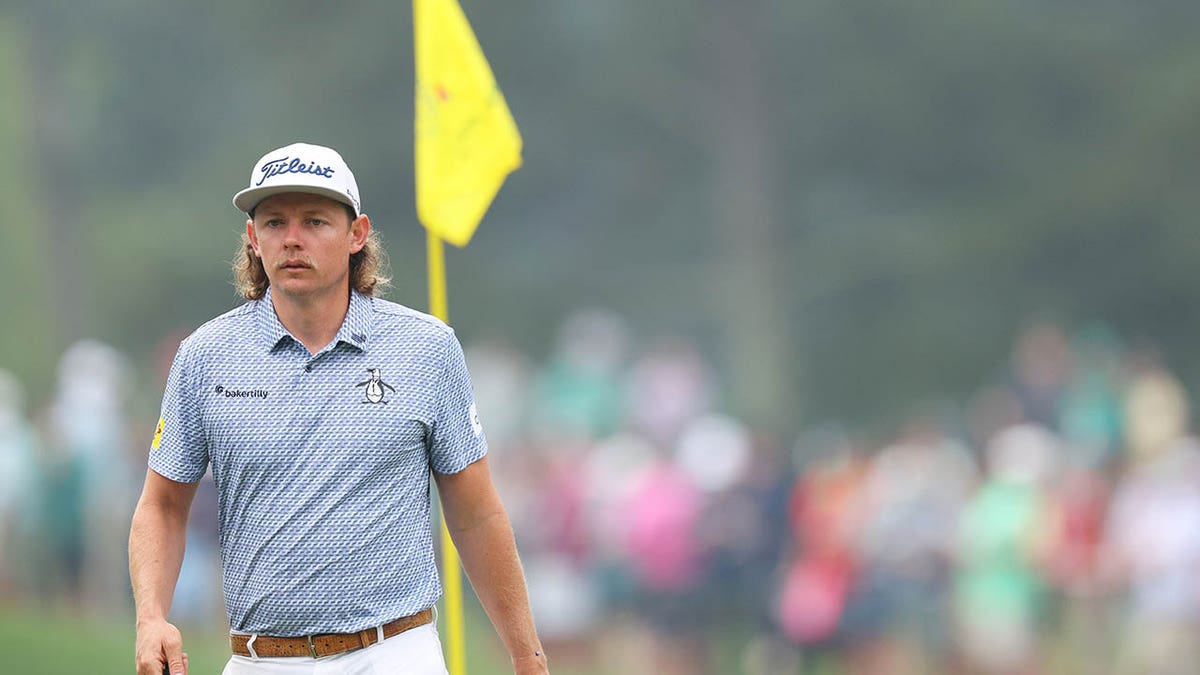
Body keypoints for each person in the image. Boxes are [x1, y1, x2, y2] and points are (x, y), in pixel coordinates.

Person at [129, 142, 548, 675]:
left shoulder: (426, 348)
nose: (293, 239)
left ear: (357, 234)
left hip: (395, 651)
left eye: (315, 221)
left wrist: (526, 654)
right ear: (253, 240)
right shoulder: (206, 356)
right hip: (260, 659)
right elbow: (162, 505)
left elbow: (475, 511)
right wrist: (150, 618)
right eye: (275, 222)